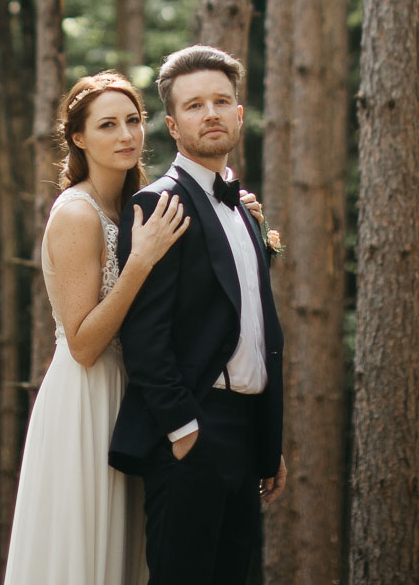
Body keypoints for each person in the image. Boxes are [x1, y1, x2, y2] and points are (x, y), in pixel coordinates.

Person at [109, 45, 287, 585]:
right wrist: (184, 430)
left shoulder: (243, 208)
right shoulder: (156, 206)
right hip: (192, 431)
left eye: (221, 101)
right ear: (172, 123)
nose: (209, 113)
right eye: (194, 105)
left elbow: (252, 325)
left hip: (248, 433)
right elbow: (144, 335)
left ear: (238, 113)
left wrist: (269, 439)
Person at [3, 71, 189, 585]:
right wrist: (141, 262)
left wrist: (243, 223)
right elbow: (84, 345)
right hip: (87, 398)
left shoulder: (140, 206)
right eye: (108, 125)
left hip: (136, 397)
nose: (126, 135)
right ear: (79, 138)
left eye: (133, 121)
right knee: (83, 555)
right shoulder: (77, 214)